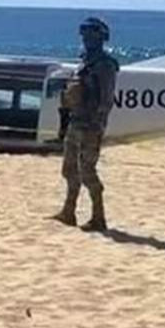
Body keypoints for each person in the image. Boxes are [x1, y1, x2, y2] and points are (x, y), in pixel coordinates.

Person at [53, 17, 119, 232]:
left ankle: (98, 217)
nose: (86, 39)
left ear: (101, 38)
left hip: (90, 126)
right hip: (75, 121)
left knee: (87, 171)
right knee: (69, 169)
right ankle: (68, 211)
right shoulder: (84, 62)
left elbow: (106, 100)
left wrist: (95, 123)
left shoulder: (105, 65)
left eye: (91, 35)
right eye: (84, 35)